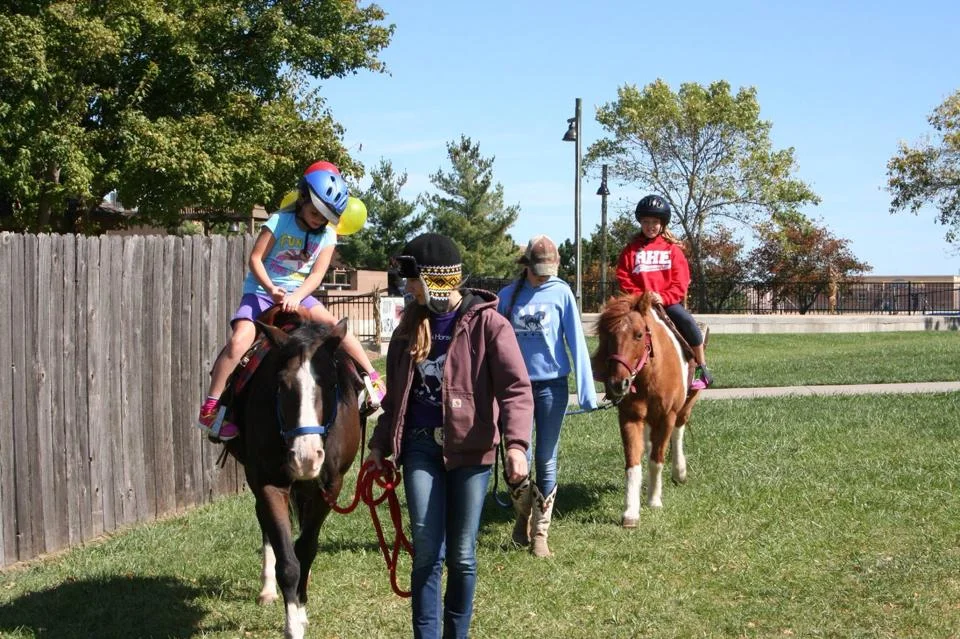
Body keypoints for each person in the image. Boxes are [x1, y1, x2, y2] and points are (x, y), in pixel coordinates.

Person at [366, 233, 533, 639]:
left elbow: (515, 388)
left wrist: (516, 445)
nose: (407, 288)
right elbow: (395, 398)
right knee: (426, 548)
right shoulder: (408, 328)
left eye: (413, 280)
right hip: (420, 446)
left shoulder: (489, 325)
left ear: (435, 280)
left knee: (462, 555)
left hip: (472, 450)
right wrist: (379, 445)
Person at [197, 162, 386, 441]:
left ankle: (372, 379)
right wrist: (271, 288)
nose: (318, 220)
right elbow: (255, 259)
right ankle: (210, 409)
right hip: (261, 293)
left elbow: (317, 274)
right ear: (302, 199)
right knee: (239, 342)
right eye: (314, 213)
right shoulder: (278, 222)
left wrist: (297, 296)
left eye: (325, 217)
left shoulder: (328, 235)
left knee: (334, 325)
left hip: (300, 294)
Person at [496, 234, 597, 558]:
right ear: (527, 265)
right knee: (517, 460)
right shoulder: (506, 297)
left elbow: (576, 341)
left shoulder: (562, 293)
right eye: (538, 271)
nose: (543, 277)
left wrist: (586, 391)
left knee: (545, 458)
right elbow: (493, 346)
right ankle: (521, 518)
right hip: (515, 390)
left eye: (548, 271)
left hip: (553, 386)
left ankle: (540, 533)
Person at [616, 194, 714, 390]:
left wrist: (664, 297)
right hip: (638, 303)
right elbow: (623, 276)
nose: (650, 226)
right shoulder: (631, 250)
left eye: (654, 222)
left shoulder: (672, 250)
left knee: (687, 322)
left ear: (662, 224)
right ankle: (610, 367)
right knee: (614, 326)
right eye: (646, 222)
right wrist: (641, 296)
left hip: (666, 303)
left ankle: (701, 367)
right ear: (640, 222)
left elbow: (680, 281)